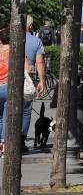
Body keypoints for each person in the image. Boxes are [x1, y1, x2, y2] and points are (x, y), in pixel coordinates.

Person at [21, 15, 47, 146]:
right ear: (30, 26)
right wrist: (41, 81)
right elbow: (40, 62)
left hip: (7, 77)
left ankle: (4, 140)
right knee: (26, 111)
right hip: (27, 79)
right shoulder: (36, 41)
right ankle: (21, 140)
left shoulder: (8, 38)